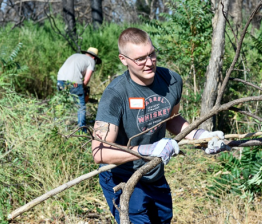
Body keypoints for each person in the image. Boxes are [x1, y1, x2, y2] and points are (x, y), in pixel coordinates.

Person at [91, 28, 225, 224]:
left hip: (154, 173)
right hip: (123, 176)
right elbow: (100, 152)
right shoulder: (115, 94)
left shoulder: (171, 80)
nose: (149, 62)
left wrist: (200, 136)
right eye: (140, 59)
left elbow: (171, 118)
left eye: (152, 54)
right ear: (123, 59)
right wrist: (148, 149)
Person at [57, 47, 101, 133]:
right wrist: (83, 88)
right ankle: (82, 131)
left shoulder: (75, 55)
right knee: (81, 107)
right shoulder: (91, 61)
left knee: (62, 103)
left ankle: (59, 128)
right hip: (74, 82)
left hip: (60, 79)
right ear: (94, 57)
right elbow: (87, 79)